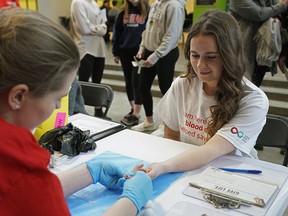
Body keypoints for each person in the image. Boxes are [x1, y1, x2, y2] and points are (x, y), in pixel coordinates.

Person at [0, 8, 152, 215]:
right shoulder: (18, 164)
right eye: (56, 98)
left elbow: (29, 194)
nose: (57, 106)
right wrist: (131, 202)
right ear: (18, 97)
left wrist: (91, 171)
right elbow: (29, 188)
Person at [142, 9, 269, 179]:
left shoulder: (253, 99)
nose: (201, 65)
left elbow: (212, 150)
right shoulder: (182, 85)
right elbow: (171, 135)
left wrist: (164, 167)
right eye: (195, 55)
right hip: (184, 169)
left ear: (230, 55)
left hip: (230, 175)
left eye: (211, 57)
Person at [131, 0, 186, 132]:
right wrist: (142, 47)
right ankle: (149, 121)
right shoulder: (156, 4)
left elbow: (172, 36)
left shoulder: (174, 6)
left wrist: (156, 55)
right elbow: (148, 29)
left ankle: (168, 125)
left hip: (165, 53)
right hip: (150, 51)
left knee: (166, 90)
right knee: (143, 86)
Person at [229, 0, 288, 87]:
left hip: (263, 51)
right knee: (243, 85)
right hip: (245, 51)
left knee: (256, 84)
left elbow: (277, 12)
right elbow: (259, 14)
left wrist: (278, 18)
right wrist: (282, 6)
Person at [112, 0, 149, 126]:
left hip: (140, 52)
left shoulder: (147, 10)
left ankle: (136, 112)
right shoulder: (123, 12)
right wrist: (115, 52)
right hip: (125, 51)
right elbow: (117, 32)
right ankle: (133, 109)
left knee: (136, 81)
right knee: (128, 80)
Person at [70, 0, 108, 117]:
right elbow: (84, 28)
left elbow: (105, 28)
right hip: (85, 47)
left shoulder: (95, 4)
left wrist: (97, 28)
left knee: (98, 81)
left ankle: (98, 110)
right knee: (82, 83)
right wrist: (99, 29)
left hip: (99, 48)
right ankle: (79, 111)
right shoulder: (78, 3)